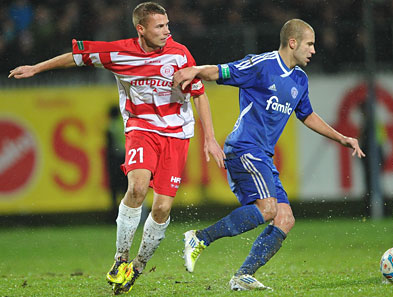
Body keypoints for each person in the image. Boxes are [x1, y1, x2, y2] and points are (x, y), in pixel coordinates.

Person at [9, 2, 226, 295]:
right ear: (141, 28)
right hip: (141, 130)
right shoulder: (118, 52)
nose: (167, 31)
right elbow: (77, 56)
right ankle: (120, 259)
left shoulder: (180, 54)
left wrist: (210, 137)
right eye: (159, 26)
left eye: (167, 24)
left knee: (162, 207)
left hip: (176, 135)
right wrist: (36, 68)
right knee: (137, 189)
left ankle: (137, 266)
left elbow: (199, 94)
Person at [173, 18, 365, 291]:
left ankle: (242, 275)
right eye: (310, 44)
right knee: (268, 209)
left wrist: (342, 138)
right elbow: (221, 71)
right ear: (293, 42)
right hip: (244, 148)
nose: (313, 50)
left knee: (285, 219)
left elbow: (307, 115)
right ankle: (200, 238)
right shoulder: (262, 65)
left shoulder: (300, 79)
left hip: (263, 155)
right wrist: (194, 69)